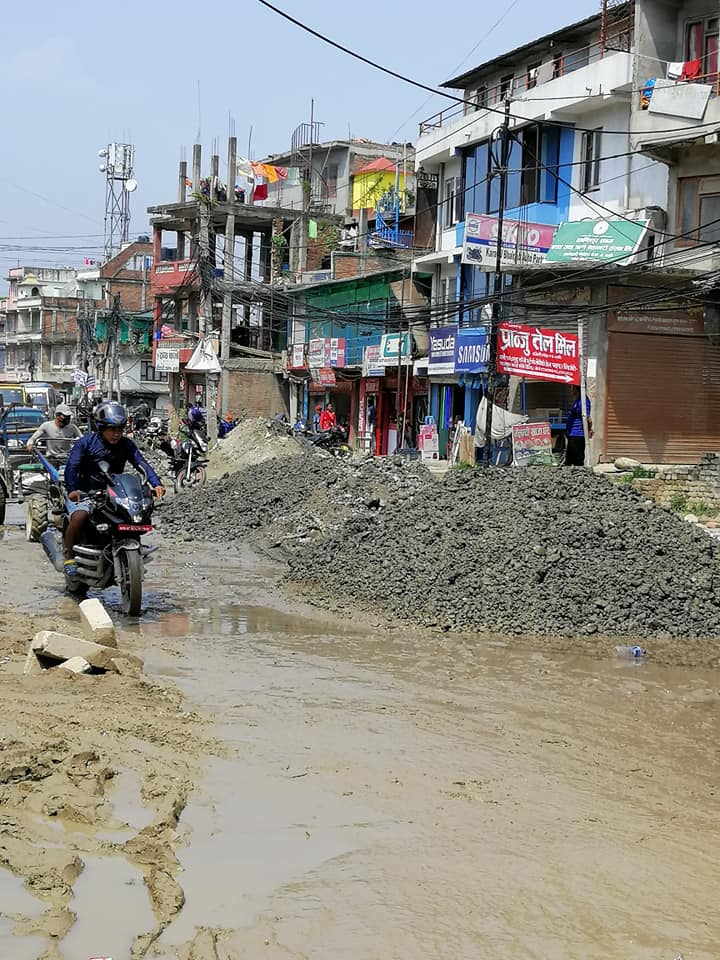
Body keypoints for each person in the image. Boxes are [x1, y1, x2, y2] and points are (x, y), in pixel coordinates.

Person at [63, 401, 164, 577]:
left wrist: (156, 483)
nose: (116, 434)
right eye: (112, 429)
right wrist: (73, 489)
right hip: (85, 493)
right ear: (101, 428)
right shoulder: (85, 443)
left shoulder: (126, 445)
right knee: (80, 517)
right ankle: (70, 557)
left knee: (132, 519)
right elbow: (72, 466)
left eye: (120, 429)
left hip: (114, 493)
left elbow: (141, 464)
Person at [565, 386, 592, 466]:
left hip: (578, 434)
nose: (571, 391)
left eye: (572, 389)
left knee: (577, 459)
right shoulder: (577, 400)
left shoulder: (584, 402)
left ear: (577, 390)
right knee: (569, 460)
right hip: (572, 433)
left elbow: (588, 418)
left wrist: (589, 429)